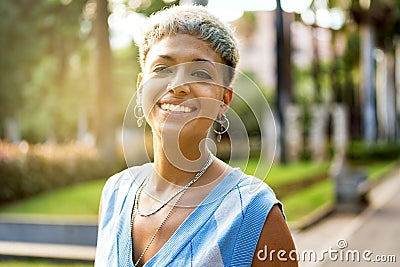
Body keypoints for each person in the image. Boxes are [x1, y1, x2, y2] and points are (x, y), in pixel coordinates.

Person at [95, 5, 297, 267]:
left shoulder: (254, 213)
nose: (177, 86)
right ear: (141, 86)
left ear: (224, 99)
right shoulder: (115, 194)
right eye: (162, 68)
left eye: (200, 73)